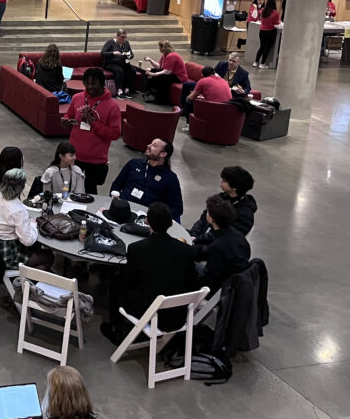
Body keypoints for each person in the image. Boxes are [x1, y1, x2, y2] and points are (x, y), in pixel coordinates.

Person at [100, 202, 197, 347]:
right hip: (177, 313)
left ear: (147, 222)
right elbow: (192, 281)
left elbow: (128, 280)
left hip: (147, 311)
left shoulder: (137, 249)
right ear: (171, 224)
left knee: (116, 281)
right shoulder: (186, 250)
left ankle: (116, 327)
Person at [60, 67, 121, 194]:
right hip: (74, 155)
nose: (90, 86)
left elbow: (115, 134)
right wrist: (65, 120)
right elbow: (69, 115)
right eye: (87, 83)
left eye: (94, 83)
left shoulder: (112, 106)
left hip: (96, 159)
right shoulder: (77, 98)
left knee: (90, 191)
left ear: (102, 83)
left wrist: (93, 123)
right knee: (68, 188)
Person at [0, 168, 52, 269]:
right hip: (5, 253)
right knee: (48, 256)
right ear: (21, 187)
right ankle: (29, 280)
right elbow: (27, 241)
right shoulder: (18, 210)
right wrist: (33, 226)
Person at [109, 138, 183, 222]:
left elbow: (177, 208)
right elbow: (117, 184)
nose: (148, 146)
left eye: (154, 146)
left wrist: (157, 219)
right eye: (150, 143)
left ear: (163, 154)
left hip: (146, 219)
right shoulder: (133, 164)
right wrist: (114, 202)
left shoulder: (170, 178)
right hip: (122, 210)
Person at [194, 195, 251, 291]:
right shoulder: (237, 235)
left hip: (219, 287)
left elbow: (208, 279)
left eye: (207, 212)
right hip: (233, 281)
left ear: (211, 219)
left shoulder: (217, 247)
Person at [190, 165, 257, 243]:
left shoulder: (245, 214)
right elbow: (203, 218)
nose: (221, 181)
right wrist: (193, 234)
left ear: (234, 187)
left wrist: (198, 240)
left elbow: (227, 236)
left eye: (224, 180)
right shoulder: (220, 198)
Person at [142, 40, 188, 105]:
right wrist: (150, 60)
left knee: (161, 78)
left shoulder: (172, 56)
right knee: (153, 71)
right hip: (172, 74)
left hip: (179, 77)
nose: (159, 49)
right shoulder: (164, 55)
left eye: (160, 47)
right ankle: (150, 93)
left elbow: (167, 72)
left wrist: (154, 74)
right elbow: (159, 67)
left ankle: (161, 100)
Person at [100, 28, 137, 99]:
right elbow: (102, 53)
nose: (123, 39)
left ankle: (127, 89)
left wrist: (129, 56)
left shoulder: (126, 43)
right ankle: (119, 90)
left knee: (132, 70)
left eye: (125, 37)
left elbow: (131, 54)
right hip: (110, 63)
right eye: (122, 37)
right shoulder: (110, 42)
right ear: (117, 36)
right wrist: (113, 53)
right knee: (119, 71)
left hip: (123, 62)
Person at [254, 0, 281, 69]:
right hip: (270, 32)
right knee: (267, 48)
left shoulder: (263, 10)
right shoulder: (275, 13)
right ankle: (262, 64)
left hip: (262, 31)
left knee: (261, 47)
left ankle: (256, 62)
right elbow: (276, 23)